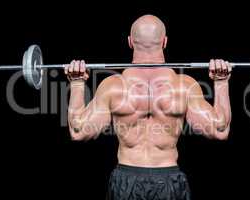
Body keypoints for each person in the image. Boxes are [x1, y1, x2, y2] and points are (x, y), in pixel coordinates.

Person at [64, 15, 231, 200]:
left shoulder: (112, 86)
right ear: (165, 41)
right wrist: (221, 82)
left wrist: (77, 83)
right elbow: (220, 129)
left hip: (126, 183)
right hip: (168, 181)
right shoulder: (184, 86)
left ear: (129, 42)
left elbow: (78, 131)